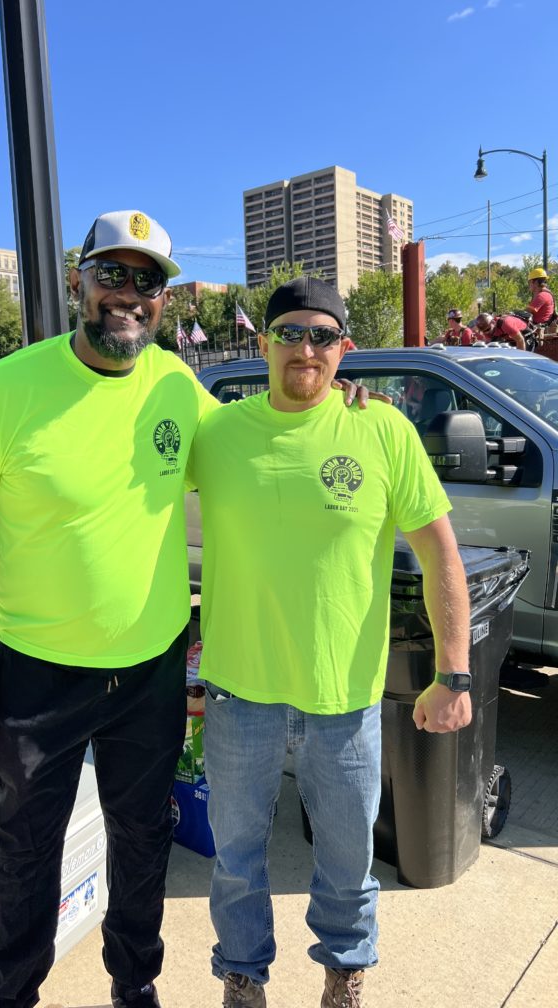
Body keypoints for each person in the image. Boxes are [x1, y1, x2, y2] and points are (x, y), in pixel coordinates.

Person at [0, 211, 372, 1008]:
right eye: (112, 274)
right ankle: (10, 995)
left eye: (148, 281)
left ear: (165, 299)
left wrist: (327, 396)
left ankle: (134, 987)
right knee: (25, 854)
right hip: (35, 674)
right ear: (79, 281)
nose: (128, 294)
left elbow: (260, 436)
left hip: (149, 672)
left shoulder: (175, 384)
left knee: (142, 844)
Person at [188, 276, 473, 1008]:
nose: (305, 349)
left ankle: (344, 974)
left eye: (322, 335)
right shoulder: (214, 433)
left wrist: (454, 673)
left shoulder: (382, 429)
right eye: (290, 333)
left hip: (343, 695)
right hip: (238, 690)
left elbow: (441, 554)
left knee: (349, 862)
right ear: (263, 343)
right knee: (236, 861)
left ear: (344, 349)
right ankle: (243, 978)